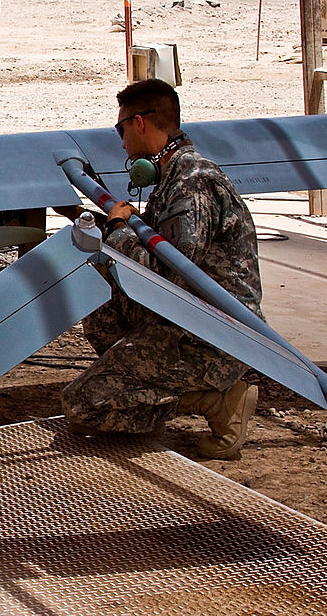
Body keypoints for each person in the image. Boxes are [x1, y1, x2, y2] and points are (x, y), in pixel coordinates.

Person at [61, 79, 262, 459]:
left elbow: (170, 271)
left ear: (139, 123)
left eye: (121, 128)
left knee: (83, 405)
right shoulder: (173, 177)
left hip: (213, 333)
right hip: (188, 316)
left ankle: (217, 398)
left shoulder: (193, 183)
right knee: (102, 309)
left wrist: (118, 230)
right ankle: (146, 385)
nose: (121, 141)